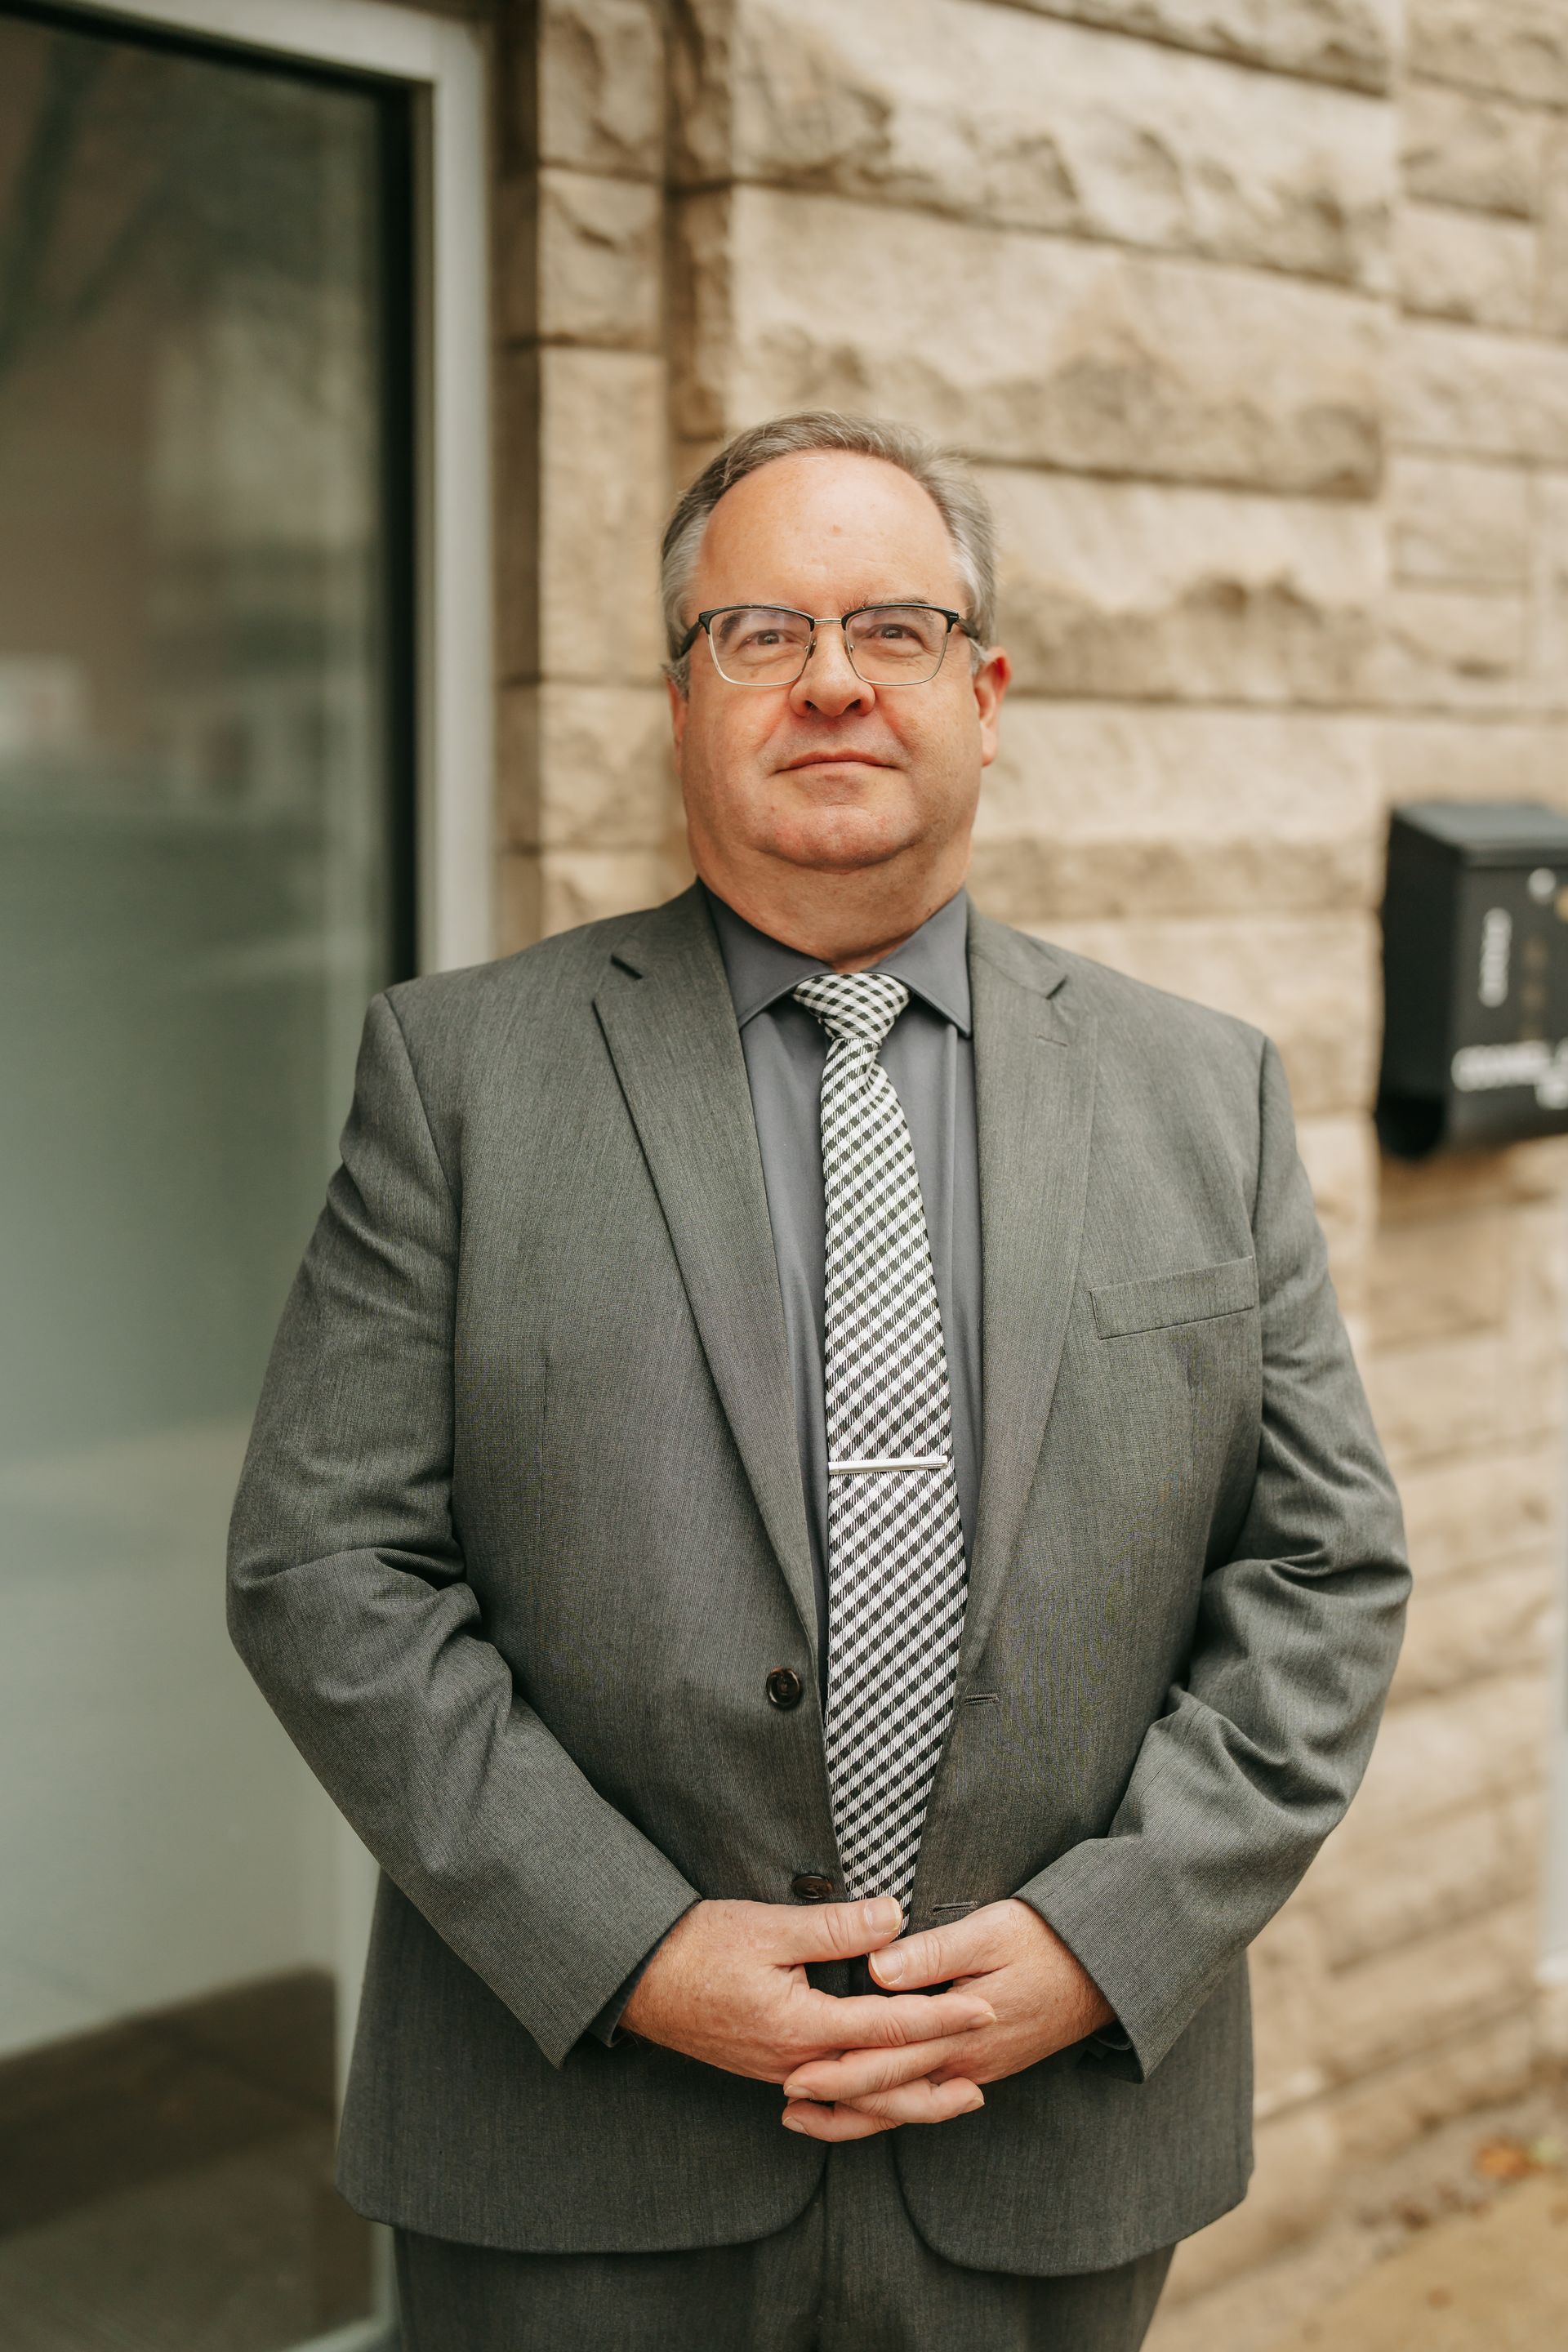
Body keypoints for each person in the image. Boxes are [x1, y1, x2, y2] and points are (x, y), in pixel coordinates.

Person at [227, 410, 1409, 2350]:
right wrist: (636, 1949)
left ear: (988, 689)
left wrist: (1097, 1945)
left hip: (1049, 2139)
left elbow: (1325, 1575)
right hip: (577, 2142)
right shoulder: (462, 1083)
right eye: (760, 634)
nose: (833, 682)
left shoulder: (1203, 1093)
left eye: (896, 629)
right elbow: (324, 1570)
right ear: (681, 699)